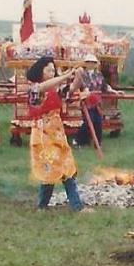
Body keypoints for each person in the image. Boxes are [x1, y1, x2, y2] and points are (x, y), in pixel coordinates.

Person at [25, 56, 86, 212]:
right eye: (49, 70)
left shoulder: (55, 90)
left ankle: (47, 206)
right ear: (40, 72)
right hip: (43, 136)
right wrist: (65, 76)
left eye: (53, 70)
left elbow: (71, 89)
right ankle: (73, 206)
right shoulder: (34, 89)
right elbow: (43, 87)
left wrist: (78, 75)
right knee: (52, 170)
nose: (52, 73)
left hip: (57, 134)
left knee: (65, 167)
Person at [72, 51, 112, 147]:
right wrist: (86, 92)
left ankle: (97, 143)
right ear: (86, 63)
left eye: (93, 62)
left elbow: (104, 86)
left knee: (98, 122)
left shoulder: (99, 75)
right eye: (89, 62)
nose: (91, 64)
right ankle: (78, 140)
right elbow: (84, 86)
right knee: (89, 121)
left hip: (97, 101)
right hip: (87, 102)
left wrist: (114, 91)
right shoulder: (82, 74)